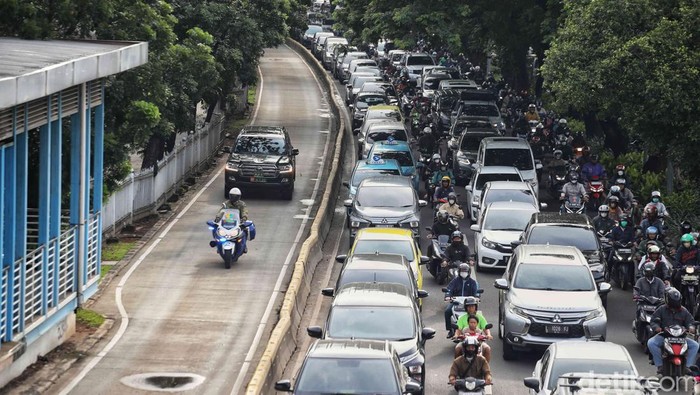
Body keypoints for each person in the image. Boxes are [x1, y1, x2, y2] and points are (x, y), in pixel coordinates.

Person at [647, 287, 698, 375]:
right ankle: (660, 365)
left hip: (681, 338)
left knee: (695, 345)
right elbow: (654, 320)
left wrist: (691, 328)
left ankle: (687, 366)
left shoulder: (684, 311)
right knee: (651, 343)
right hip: (664, 336)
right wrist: (657, 328)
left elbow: (690, 322)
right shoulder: (661, 309)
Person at [444, 264, 480, 338]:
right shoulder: (455, 281)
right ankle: (450, 330)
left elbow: (477, 292)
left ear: (469, 272)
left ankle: (477, 330)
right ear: (459, 272)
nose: (463, 273)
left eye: (465, 271)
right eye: (462, 271)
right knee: (447, 311)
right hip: (456, 302)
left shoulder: (473, 282)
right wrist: (447, 296)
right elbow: (449, 289)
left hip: (469, 303)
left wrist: (477, 297)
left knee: (475, 314)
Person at [633, 262, 666, 340]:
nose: (649, 273)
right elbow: (636, 291)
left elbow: (662, 293)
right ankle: (638, 330)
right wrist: (636, 296)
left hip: (657, 305)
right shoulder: (640, 281)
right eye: (647, 271)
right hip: (643, 304)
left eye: (650, 271)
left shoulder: (659, 282)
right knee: (640, 318)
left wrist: (662, 299)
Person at [454, 297, 493, 362]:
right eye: (469, 307)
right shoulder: (461, 318)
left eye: (472, 306)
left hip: (478, 342)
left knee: (487, 349)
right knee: (457, 349)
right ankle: (457, 367)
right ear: (466, 308)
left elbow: (485, 328)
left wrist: (488, 335)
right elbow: (458, 329)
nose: (471, 308)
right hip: (465, 342)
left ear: (475, 307)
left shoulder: (480, 317)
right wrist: (456, 335)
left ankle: (486, 369)